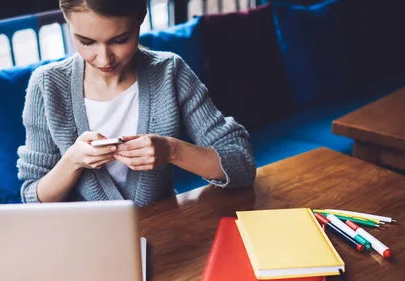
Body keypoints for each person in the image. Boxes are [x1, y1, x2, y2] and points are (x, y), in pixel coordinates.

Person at [17, 0, 256, 206]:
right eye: (86, 42)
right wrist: (73, 160)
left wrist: (171, 150)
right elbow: (32, 198)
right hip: (83, 239)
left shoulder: (169, 72)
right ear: (67, 21)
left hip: (164, 231)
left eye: (120, 40)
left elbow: (241, 165)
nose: (104, 59)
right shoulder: (47, 84)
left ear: (141, 17)